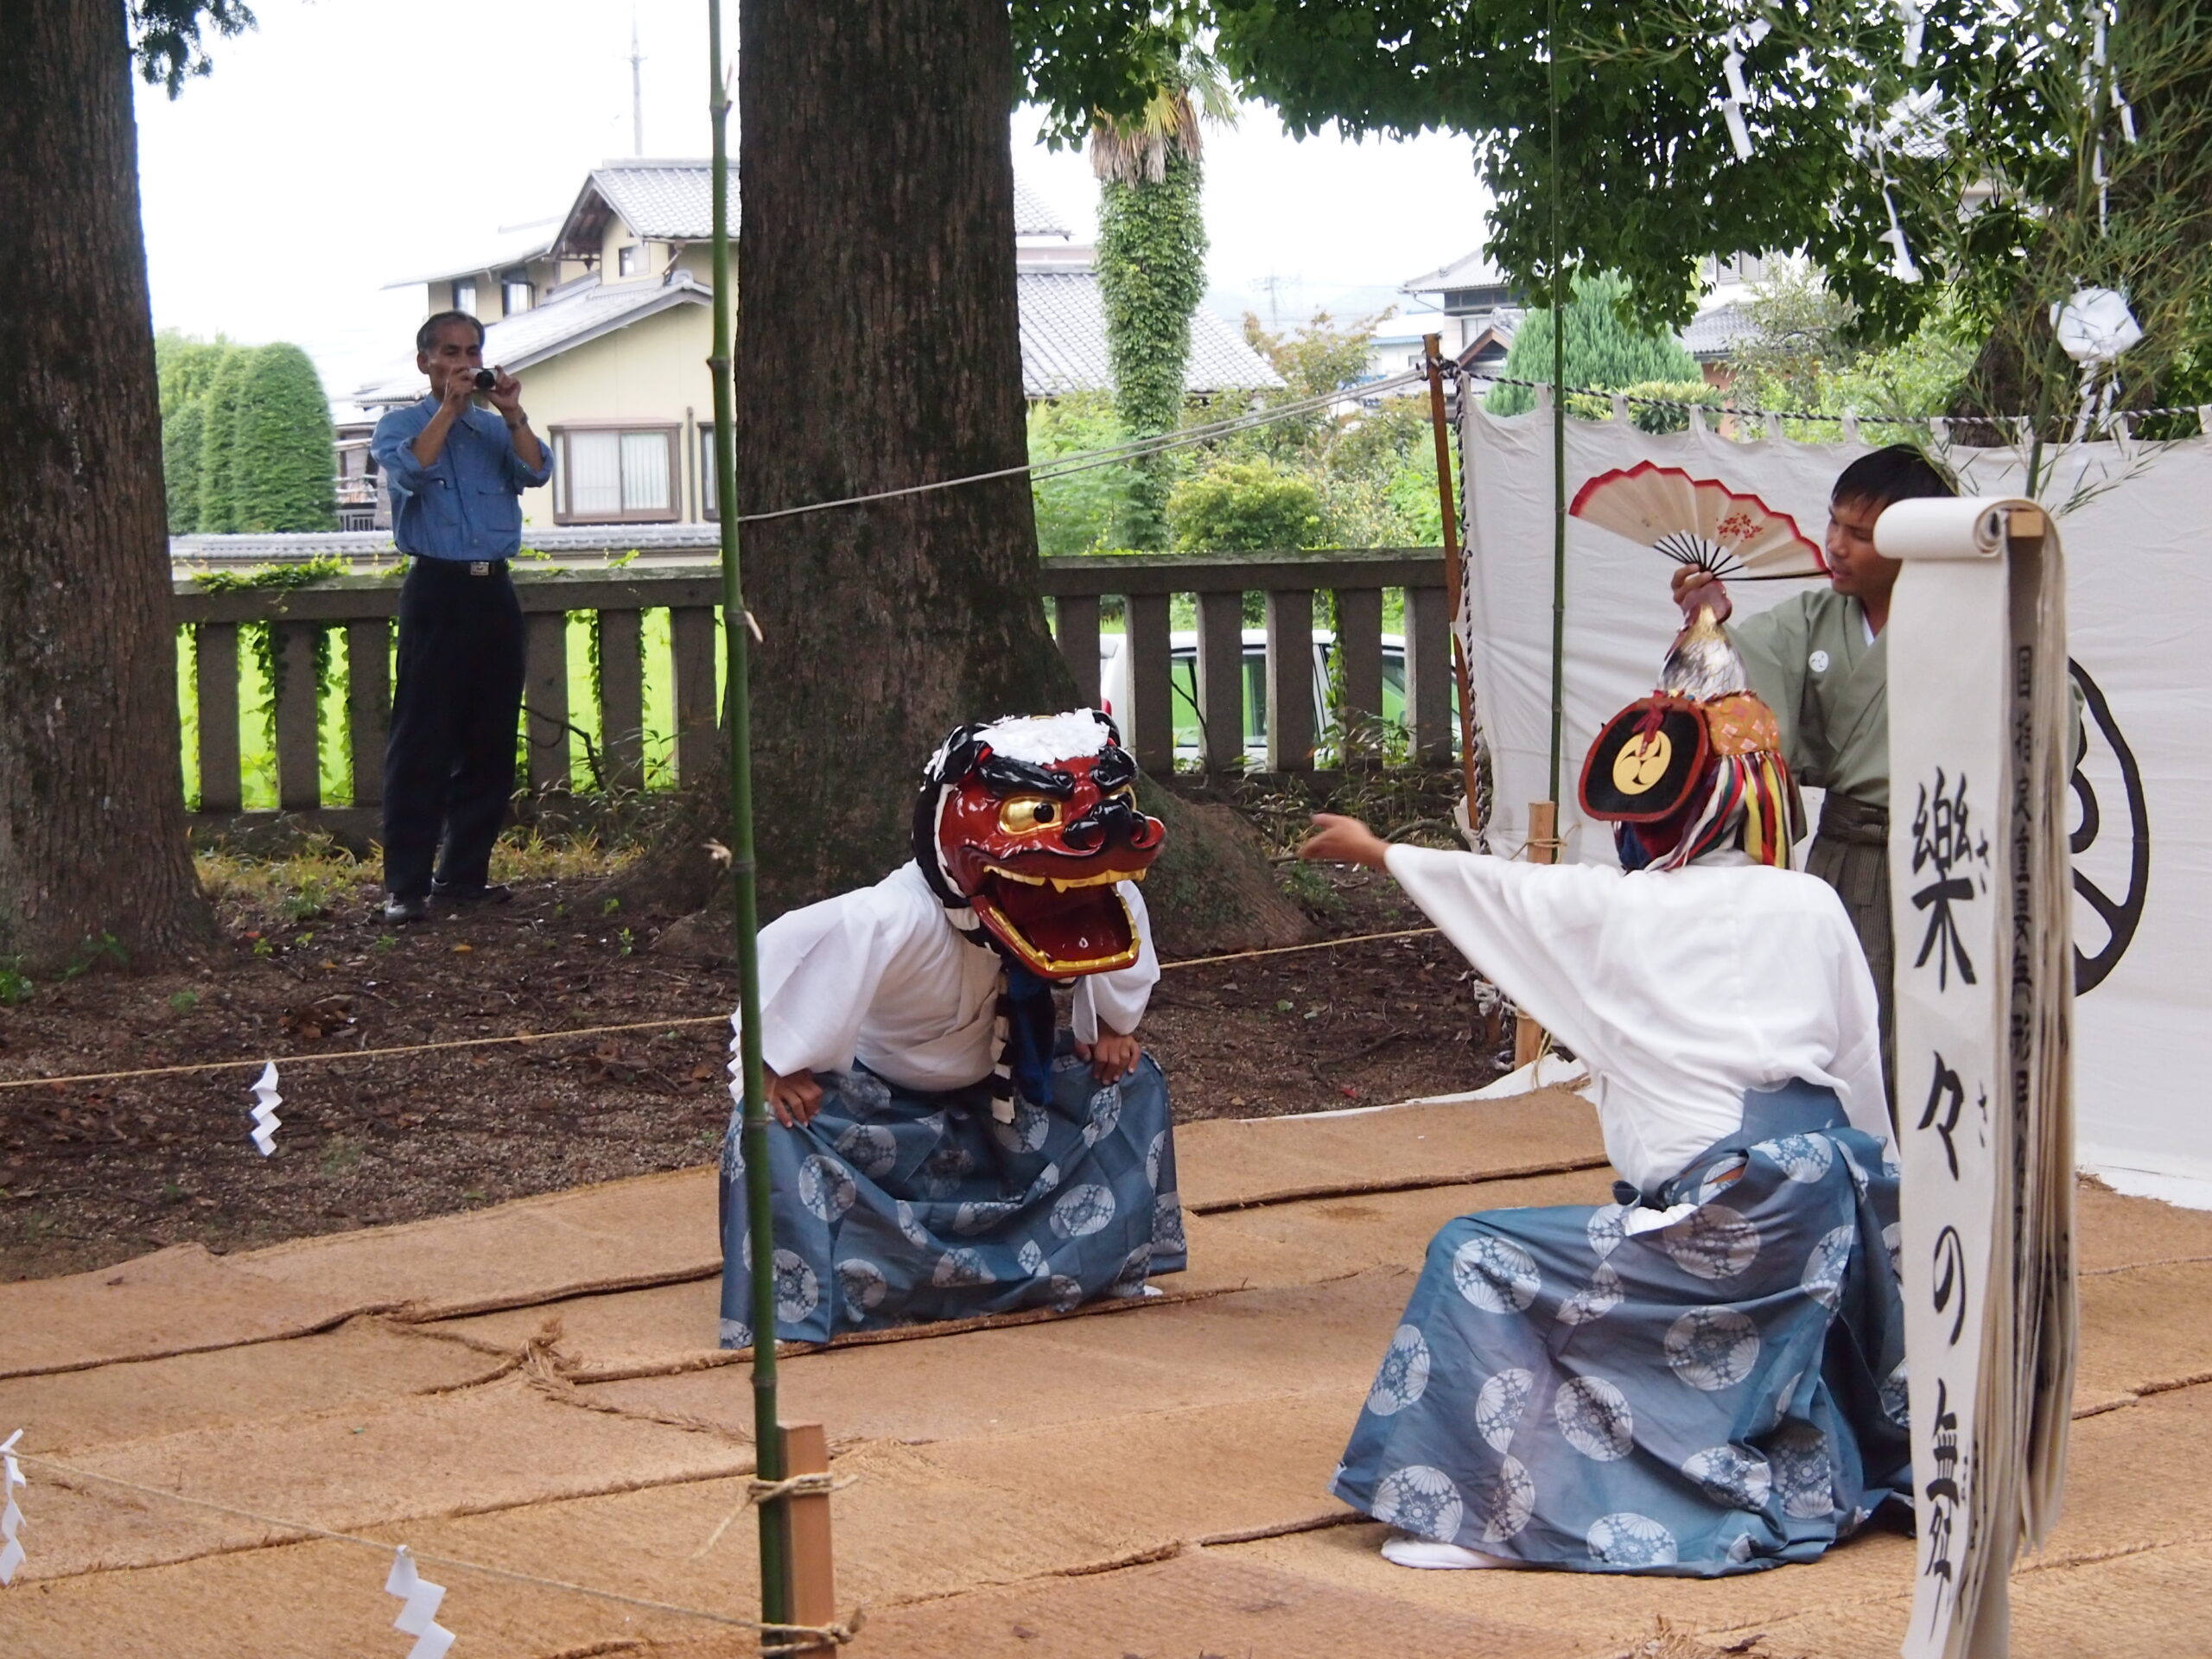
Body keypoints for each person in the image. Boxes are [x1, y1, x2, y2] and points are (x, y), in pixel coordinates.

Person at [1301, 603, 1907, 1578]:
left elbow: (1499, 891)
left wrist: (1379, 851)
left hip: (1720, 1223)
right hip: (1825, 1209)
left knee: (1479, 1255)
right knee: (1618, 1236)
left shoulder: (1619, 910)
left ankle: (1487, 1513)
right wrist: (1883, 1208)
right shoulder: (1812, 900)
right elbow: (1860, 1060)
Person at [717, 710, 1187, 1348]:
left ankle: (1095, 1265)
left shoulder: (1084, 886)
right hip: (883, 1119)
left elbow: (1119, 905)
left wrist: (1111, 1023)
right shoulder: (889, 918)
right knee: (767, 1127)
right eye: (1033, 814)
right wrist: (773, 1068)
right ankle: (819, 1294)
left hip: (1013, 1096)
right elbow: (787, 955)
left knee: (1130, 1085)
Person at [1670, 442, 1955, 1098]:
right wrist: (1706, 618)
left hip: (1953, 852)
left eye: (1861, 534)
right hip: (1849, 854)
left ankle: (1929, 1183)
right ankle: (1844, 1173)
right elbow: (1728, 703)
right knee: (1835, 1024)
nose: (1836, 545)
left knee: (1937, 1028)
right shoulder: (1811, 621)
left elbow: (2048, 713)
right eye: (1834, 524)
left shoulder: (1969, 614)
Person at [368, 312, 552, 925]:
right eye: (451, 351)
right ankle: (406, 886)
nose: (463, 360)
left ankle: (464, 875)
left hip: (493, 591)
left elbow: (537, 469)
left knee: (490, 741)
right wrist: (447, 408)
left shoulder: (495, 428)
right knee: (422, 739)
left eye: (472, 350)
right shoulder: (401, 424)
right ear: (425, 360)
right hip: (437, 592)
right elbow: (413, 470)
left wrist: (511, 412)